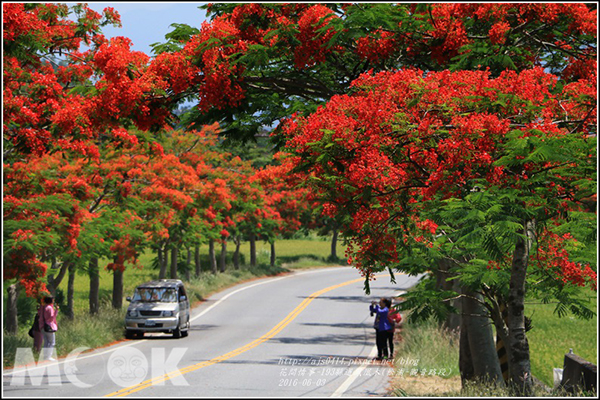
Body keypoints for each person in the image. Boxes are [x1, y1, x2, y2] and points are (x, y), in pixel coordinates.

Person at [39, 296, 59, 361]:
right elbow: (52, 317)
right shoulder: (50, 308)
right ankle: (48, 356)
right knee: (51, 342)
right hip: (49, 326)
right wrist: (56, 310)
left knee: (46, 342)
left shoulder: (43, 307)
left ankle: (45, 356)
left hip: (42, 326)